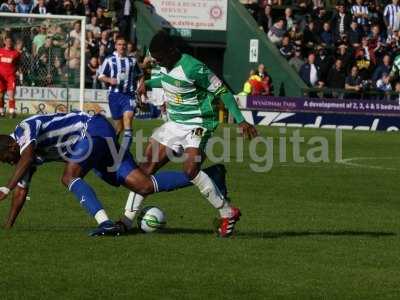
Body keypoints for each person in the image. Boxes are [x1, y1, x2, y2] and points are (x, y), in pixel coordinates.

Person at [122, 31, 258, 237]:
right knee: (144, 170)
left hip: (198, 122)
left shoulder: (193, 67)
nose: (157, 62)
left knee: (190, 169)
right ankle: (125, 221)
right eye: (155, 58)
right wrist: (147, 84)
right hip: (174, 123)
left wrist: (240, 120)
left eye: (160, 58)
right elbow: (168, 81)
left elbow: (222, 91)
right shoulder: (163, 62)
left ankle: (227, 213)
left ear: (171, 51)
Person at [0, 112, 222, 236]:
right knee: (141, 185)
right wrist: (8, 227)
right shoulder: (23, 156)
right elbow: (22, 190)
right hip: (92, 145)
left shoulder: (24, 131)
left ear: (10, 147)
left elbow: (26, 159)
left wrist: (5, 188)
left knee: (68, 176)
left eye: (6, 160)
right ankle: (210, 176)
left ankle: (105, 223)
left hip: (92, 129)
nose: (10, 164)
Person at [98, 35, 144, 152]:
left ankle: (124, 152)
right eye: (119, 44)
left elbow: (141, 75)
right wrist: (109, 80)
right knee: (118, 128)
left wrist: (141, 87)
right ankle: (111, 147)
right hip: (114, 96)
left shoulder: (132, 61)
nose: (122, 47)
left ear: (127, 46)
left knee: (128, 119)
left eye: (124, 44)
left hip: (129, 95)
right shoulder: (109, 60)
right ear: (115, 46)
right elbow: (101, 76)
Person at [0, 36, 20, 118]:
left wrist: (17, 71)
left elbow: (18, 64)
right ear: (4, 42)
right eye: (7, 41)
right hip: (0, 76)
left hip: (10, 76)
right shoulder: (0, 51)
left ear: (12, 43)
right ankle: (1, 111)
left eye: (10, 41)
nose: (8, 43)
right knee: (0, 95)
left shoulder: (16, 53)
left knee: (11, 94)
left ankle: (11, 112)